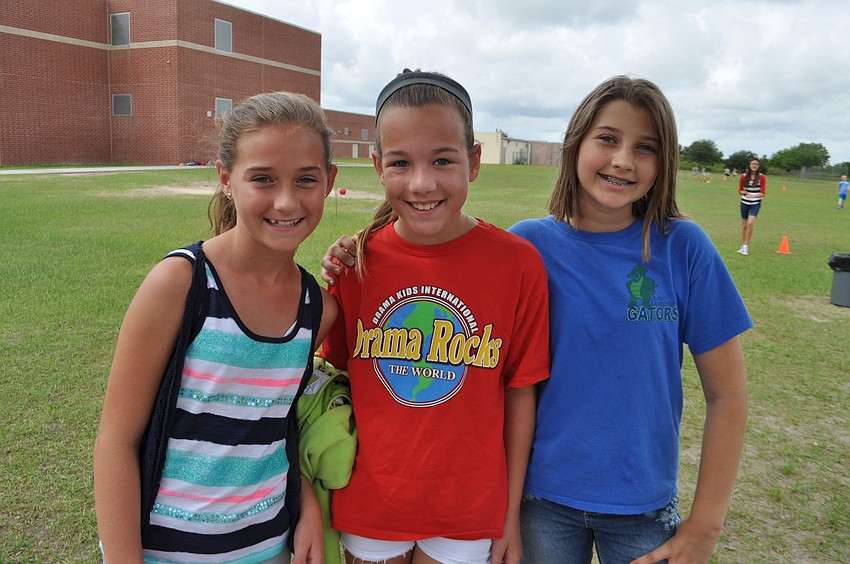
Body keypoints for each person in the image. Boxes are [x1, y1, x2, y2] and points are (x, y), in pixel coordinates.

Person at [323, 75, 750, 564]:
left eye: (646, 146)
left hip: (640, 506)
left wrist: (705, 527)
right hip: (539, 501)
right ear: (576, 145)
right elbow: (435, 258)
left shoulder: (683, 248)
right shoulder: (533, 245)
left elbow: (728, 394)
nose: (622, 159)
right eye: (607, 138)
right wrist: (354, 251)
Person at [94, 91, 339, 564]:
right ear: (227, 179)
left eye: (305, 179)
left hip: (266, 548)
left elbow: (269, 425)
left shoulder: (318, 309)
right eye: (262, 179)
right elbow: (116, 440)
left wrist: (305, 500)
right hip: (163, 551)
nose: (286, 201)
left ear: (329, 181)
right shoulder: (180, 284)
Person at [319, 69, 550, 564]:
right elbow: (330, 371)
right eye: (401, 163)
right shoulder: (355, 263)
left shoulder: (518, 264)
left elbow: (520, 393)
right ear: (378, 165)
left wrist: (508, 516)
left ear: (475, 161)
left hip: (468, 507)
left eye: (443, 160)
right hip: (372, 502)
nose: (422, 183)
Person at [737, 157, 766, 255]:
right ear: (749, 165)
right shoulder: (743, 176)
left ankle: (746, 247)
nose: (755, 166)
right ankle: (742, 246)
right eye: (753, 164)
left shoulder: (762, 177)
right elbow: (739, 190)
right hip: (744, 202)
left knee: (750, 223)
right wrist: (744, 192)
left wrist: (753, 195)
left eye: (757, 164)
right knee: (744, 225)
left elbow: (762, 193)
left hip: (755, 203)